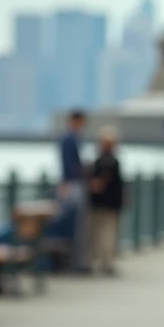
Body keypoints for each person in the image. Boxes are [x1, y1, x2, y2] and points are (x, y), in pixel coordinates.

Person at [87, 126, 125, 276]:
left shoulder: (101, 161)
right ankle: (107, 262)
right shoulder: (113, 161)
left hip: (100, 204)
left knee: (100, 234)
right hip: (110, 204)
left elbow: (99, 183)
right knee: (108, 234)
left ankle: (101, 261)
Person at [54, 110, 88, 270]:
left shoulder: (71, 138)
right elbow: (69, 164)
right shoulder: (69, 139)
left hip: (71, 184)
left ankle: (73, 261)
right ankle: (74, 262)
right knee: (74, 225)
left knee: (75, 225)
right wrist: (67, 182)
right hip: (72, 185)